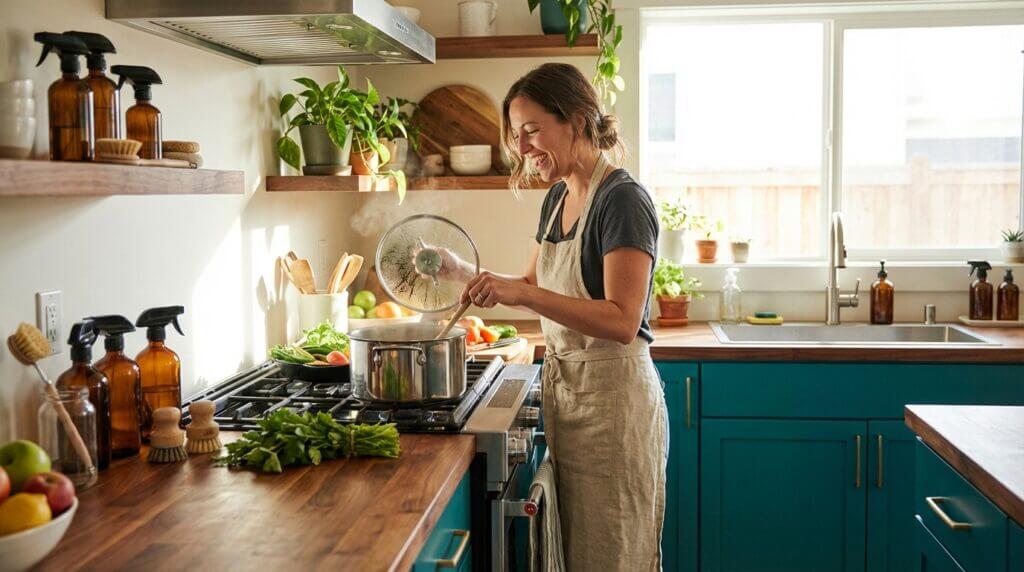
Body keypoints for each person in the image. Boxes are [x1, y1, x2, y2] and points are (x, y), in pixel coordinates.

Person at [460, 63, 668, 570]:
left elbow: (622, 320)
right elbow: (532, 285)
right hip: (571, 403)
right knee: (577, 553)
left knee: (614, 553)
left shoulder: (622, 200)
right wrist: (458, 269)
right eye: (516, 135)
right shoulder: (558, 196)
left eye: (532, 130)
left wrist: (524, 297)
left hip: (615, 408)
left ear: (576, 119)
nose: (523, 147)